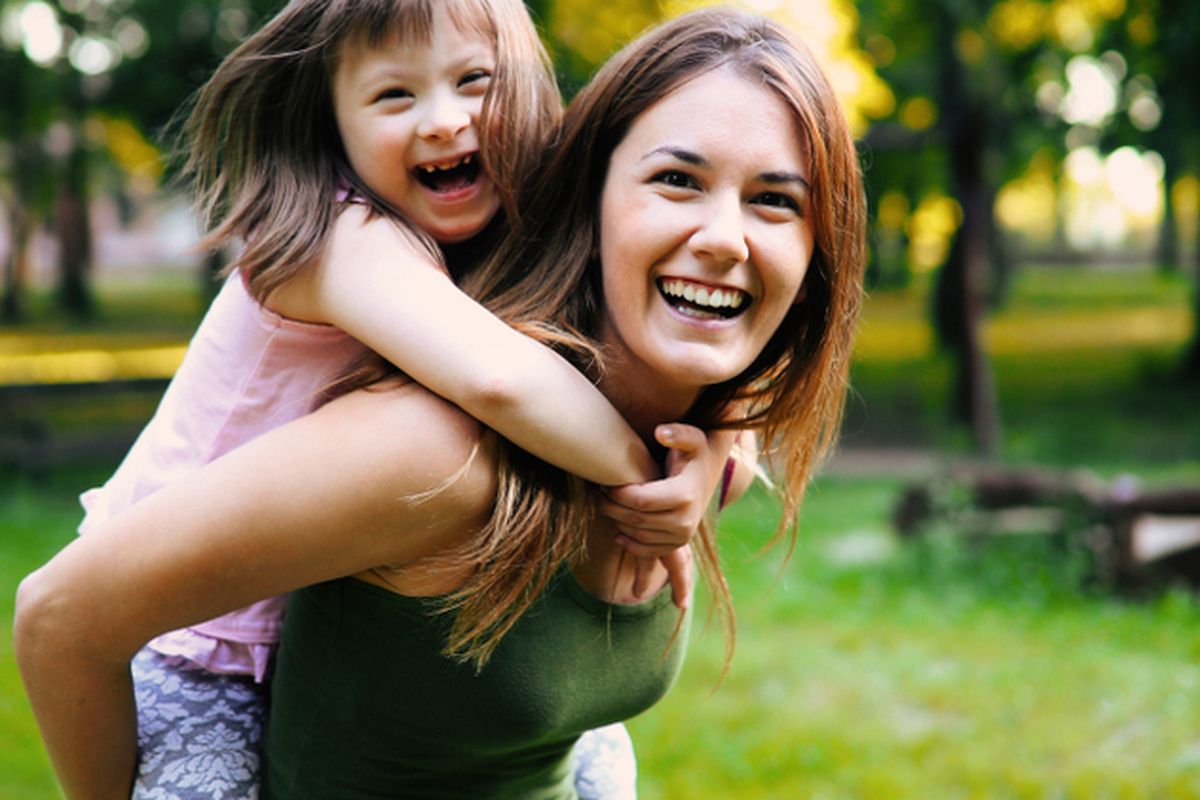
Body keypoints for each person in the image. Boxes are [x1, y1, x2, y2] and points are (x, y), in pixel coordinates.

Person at [14, 7, 866, 799]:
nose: (445, 120)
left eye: (475, 82)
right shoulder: (340, 244)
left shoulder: (476, 246)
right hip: (184, 647)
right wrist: (637, 474)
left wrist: (715, 450)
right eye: (677, 179)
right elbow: (501, 382)